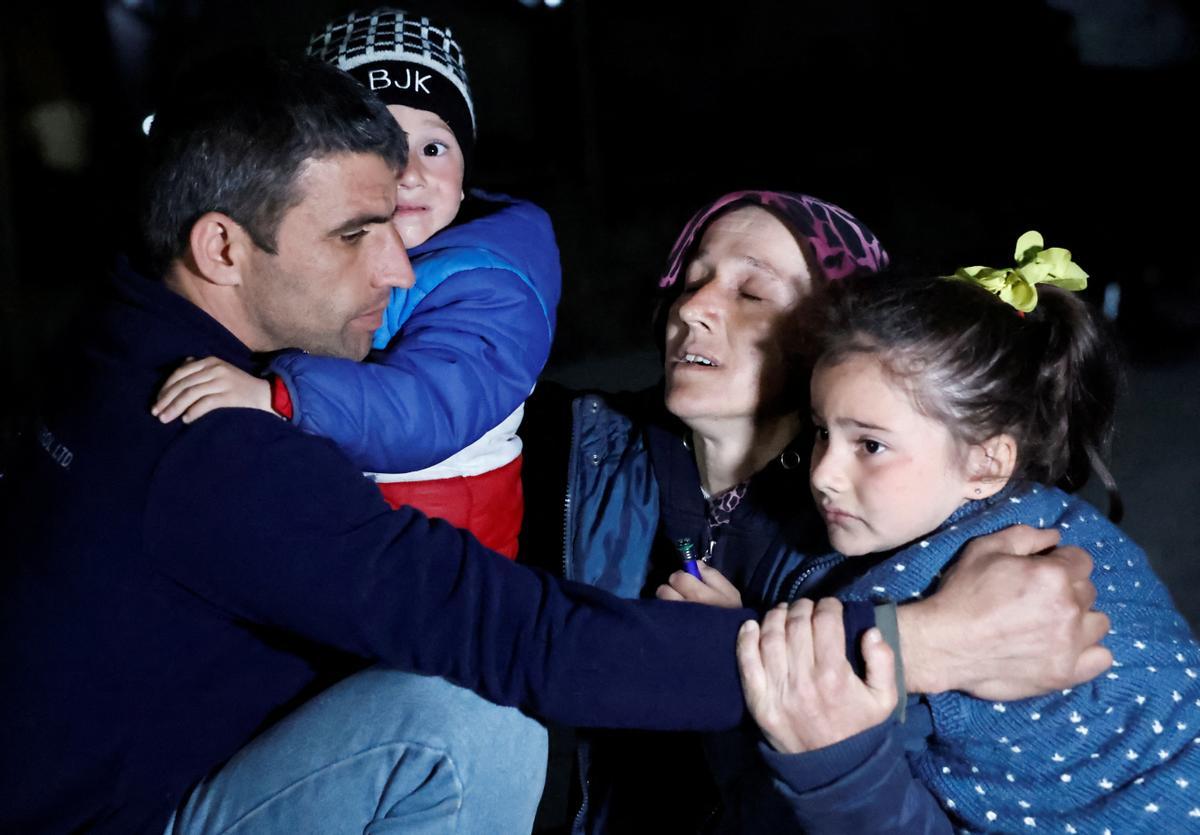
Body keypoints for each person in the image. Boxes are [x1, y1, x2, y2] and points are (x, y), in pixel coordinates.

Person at [518, 193, 1113, 832]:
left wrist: (744, 659)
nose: (692, 309)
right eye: (691, 281)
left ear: (838, 339)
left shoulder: (898, 530)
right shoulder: (570, 442)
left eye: (752, 295)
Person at [737, 237, 1200, 832]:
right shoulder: (1050, 514)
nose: (823, 472)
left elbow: (800, 698)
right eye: (822, 431)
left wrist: (743, 632)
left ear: (986, 464)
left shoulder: (922, 587)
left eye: (870, 445)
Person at [152, 7, 560, 557]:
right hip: (365, 508)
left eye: (435, 147)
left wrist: (277, 395)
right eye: (385, 147)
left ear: (467, 172)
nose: (410, 171)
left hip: (441, 532)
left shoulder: (492, 283)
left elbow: (428, 408)